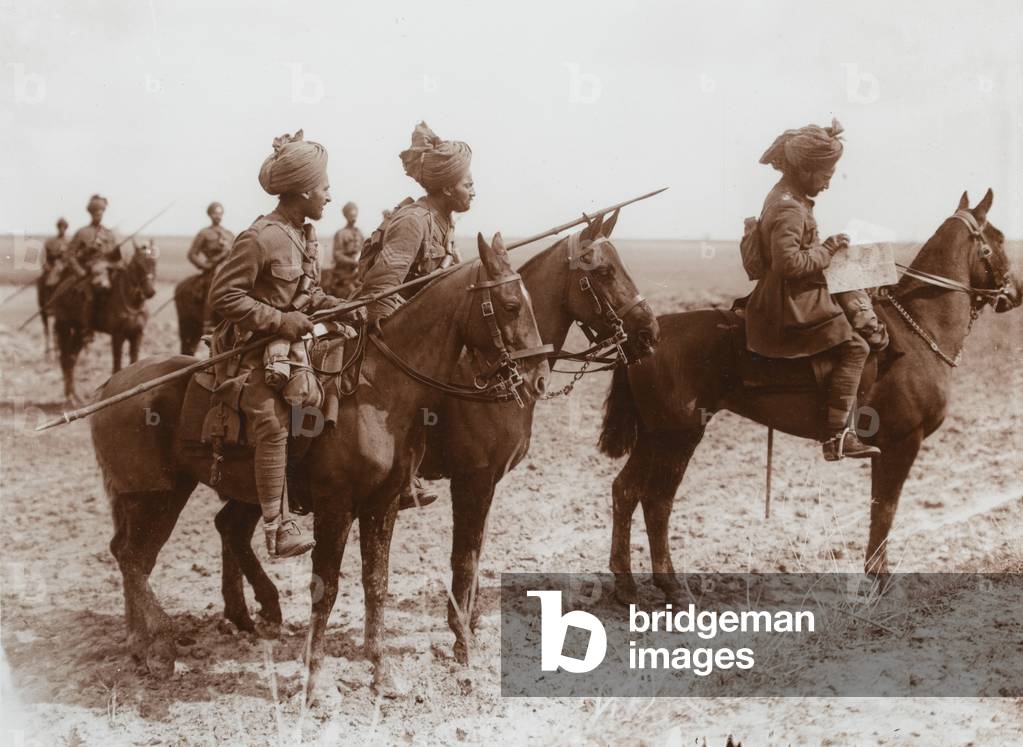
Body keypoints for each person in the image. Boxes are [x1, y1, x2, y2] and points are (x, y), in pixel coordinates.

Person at [208, 130, 362, 559]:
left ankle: (304, 489)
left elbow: (307, 297)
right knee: (273, 421)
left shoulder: (304, 236)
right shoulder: (260, 237)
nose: (330, 197)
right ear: (305, 190)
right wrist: (280, 320)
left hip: (292, 349)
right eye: (326, 188)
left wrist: (345, 307)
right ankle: (277, 528)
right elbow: (223, 297)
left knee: (333, 396)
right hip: (249, 353)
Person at [744, 119, 881, 461]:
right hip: (788, 303)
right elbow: (788, 264)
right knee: (856, 346)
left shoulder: (789, 197)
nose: (827, 184)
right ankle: (836, 435)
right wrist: (830, 248)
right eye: (825, 177)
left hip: (795, 291)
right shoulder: (789, 207)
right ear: (805, 171)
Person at [356, 121, 474, 506]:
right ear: (444, 188)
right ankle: (402, 471)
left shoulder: (443, 222)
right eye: (466, 183)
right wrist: (408, 347)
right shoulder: (414, 221)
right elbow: (382, 290)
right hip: (392, 335)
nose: (472, 188)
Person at [65, 195, 119, 338]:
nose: (99, 215)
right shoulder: (82, 233)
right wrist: (80, 272)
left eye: (101, 212)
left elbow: (115, 256)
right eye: (96, 212)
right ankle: (88, 329)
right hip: (88, 274)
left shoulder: (109, 233)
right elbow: (69, 255)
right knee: (90, 297)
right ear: (91, 213)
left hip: (108, 271)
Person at [186, 202, 234, 332]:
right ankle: (208, 321)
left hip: (228, 268)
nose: (217, 216)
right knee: (213, 284)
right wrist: (204, 266)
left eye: (220, 213)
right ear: (209, 215)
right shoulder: (204, 233)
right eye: (214, 213)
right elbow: (192, 254)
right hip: (212, 269)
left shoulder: (229, 234)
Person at [329, 201, 364, 297]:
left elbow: (363, 250)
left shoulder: (359, 233)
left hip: (358, 274)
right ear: (346, 216)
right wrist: (354, 262)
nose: (353, 216)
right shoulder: (341, 233)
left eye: (355, 214)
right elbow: (337, 255)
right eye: (351, 214)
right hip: (344, 276)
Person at [41, 217, 69, 287]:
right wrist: (47, 268)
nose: (62, 229)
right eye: (60, 227)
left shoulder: (69, 243)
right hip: (52, 268)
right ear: (57, 228)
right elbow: (43, 258)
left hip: (65, 269)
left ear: (66, 228)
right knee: (50, 283)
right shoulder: (50, 242)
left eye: (64, 227)